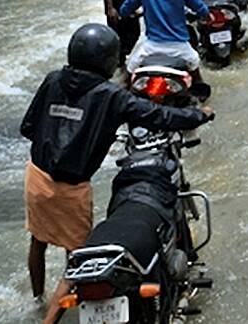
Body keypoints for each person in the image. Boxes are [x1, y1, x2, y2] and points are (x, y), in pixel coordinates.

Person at [21, 24, 212, 324]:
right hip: (71, 187)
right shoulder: (109, 95)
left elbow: (28, 127)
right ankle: (49, 321)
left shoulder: (53, 79)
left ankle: (37, 299)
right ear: (108, 61)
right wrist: (198, 114)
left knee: (38, 240)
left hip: (36, 176)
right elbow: (157, 115)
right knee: (81, 261)